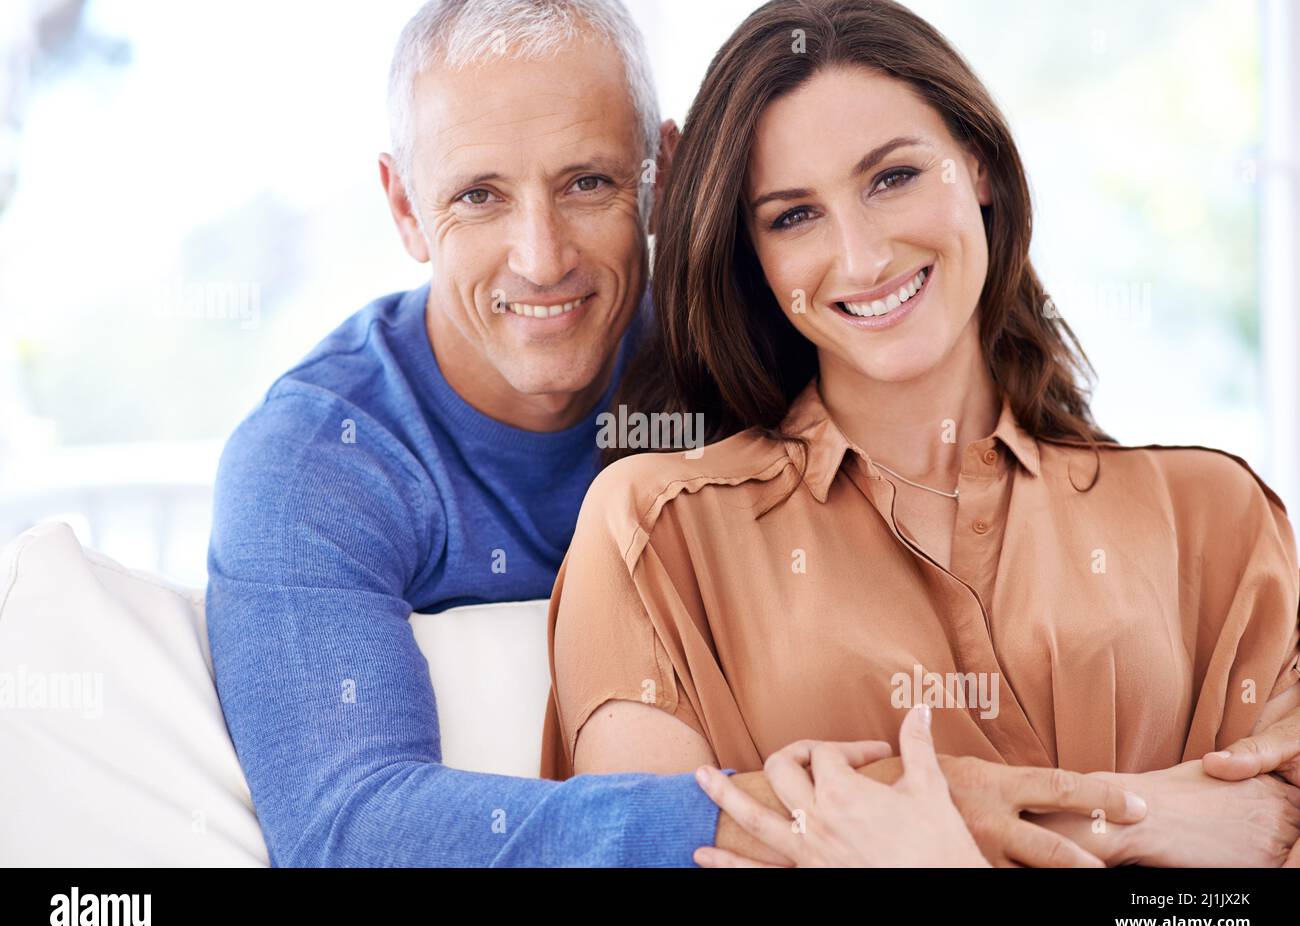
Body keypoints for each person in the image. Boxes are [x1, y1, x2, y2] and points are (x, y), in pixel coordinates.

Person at [207, 0, 1122, 868]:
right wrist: (838, 809)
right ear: (405, 207)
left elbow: (1047, 506)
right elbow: (351, 830)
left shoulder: (757, 338)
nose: (542, 256)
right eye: (479, 196)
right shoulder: (316, 462)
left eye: (589, 182)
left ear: (665, 173)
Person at [540, 0, 1300, 867]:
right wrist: (1152, 821)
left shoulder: (1215, 516)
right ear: (752, 256)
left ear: (976, 162)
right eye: (794, 215)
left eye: (893, 177)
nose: (862, 258)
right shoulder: (655, 533)